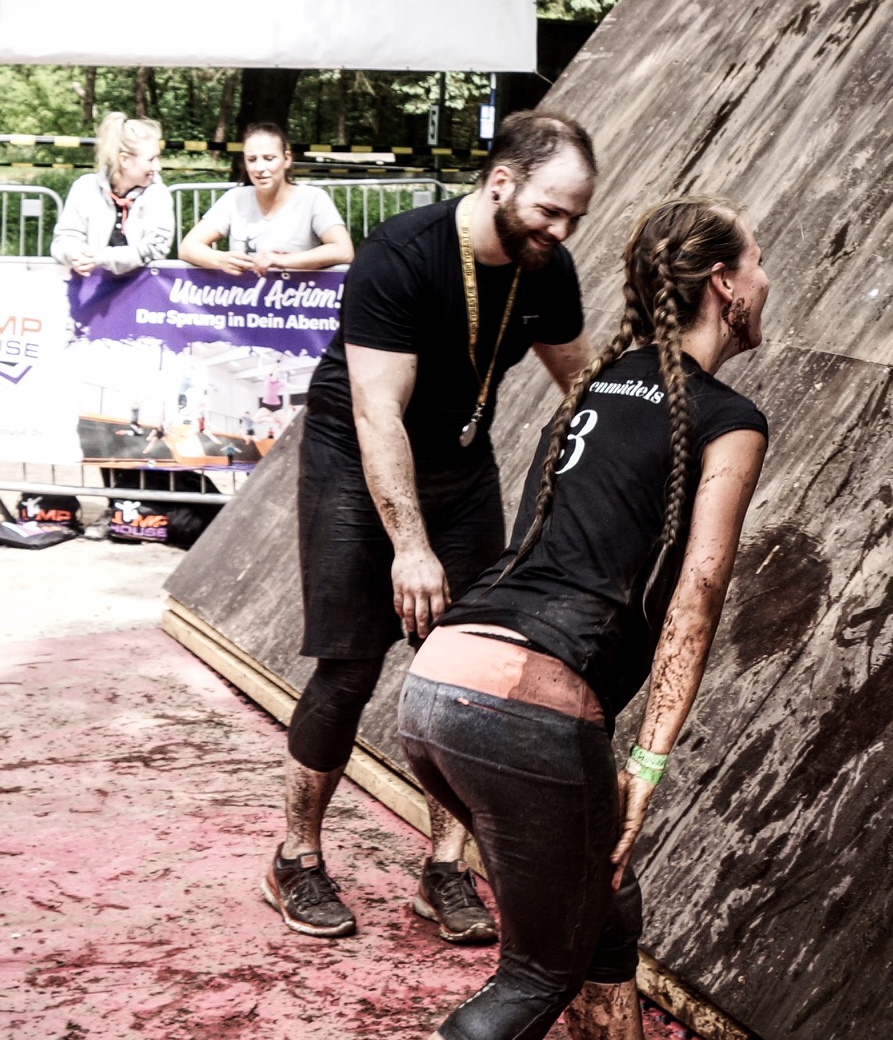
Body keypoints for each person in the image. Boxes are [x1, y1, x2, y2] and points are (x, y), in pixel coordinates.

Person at [295, 195, 773, 1040]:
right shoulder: (727, 419)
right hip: (525, 711)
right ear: (725, 286)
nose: (766, 278)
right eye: (759, 261)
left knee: (604, 914)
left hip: (443, 684)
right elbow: (696, 596)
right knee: (540, 968)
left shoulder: (596, 387)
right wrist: (648, 760)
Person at [272, 112, 597, 946]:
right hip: (357, 459)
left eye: (574, 218)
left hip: (459, 461)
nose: (560, 232)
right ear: (501, 183)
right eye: (549, 211)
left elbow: (584, 385)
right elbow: (378, 413)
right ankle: (296, 858)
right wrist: (410, 549)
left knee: (460, 671)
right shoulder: (403, 254)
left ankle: (445, 869)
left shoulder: (545, 268)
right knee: (349, 667)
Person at [181, 121, 354, 272]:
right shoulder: (234, 198)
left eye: (269, 158)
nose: (259, 168)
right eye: (252, 160)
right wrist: (220, 260)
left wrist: (282, 261)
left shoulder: (313, 198)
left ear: (286, 159)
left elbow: (344, 250)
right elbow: (188, 247)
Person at [55, 113, 177, 276]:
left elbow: (156, 248)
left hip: (142, 287)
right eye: (151, 159)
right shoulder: (85, 187)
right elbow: (64, 238)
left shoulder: (158, 194)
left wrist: (100, 258)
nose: (158, 167)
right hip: (90, 284)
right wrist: (75, 255)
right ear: (124, 160)